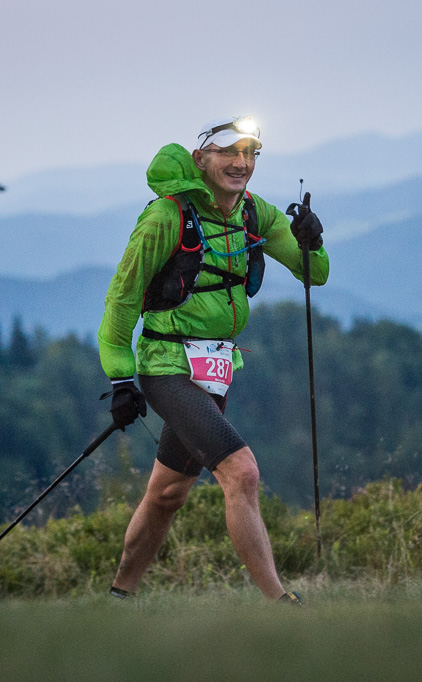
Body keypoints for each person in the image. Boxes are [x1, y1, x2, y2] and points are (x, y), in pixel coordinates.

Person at [97, 116, 329, 603]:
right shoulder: (166, 218)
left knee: (168, 494)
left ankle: (117, 599)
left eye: (250, 153)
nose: (241, 163)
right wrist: (120, 378)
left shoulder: (254, 213)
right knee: (242, 472)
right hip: (166, 366)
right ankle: (281, 605)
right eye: (228, 152)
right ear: (201, 159)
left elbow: (315, 274)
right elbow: (122, 299)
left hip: (217, 368)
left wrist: (312, 240)